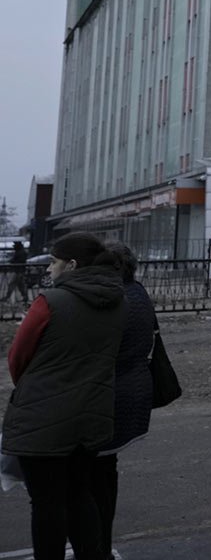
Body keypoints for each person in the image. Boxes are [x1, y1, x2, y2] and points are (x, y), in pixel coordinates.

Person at [3, 232, 126, 560]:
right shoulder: (117, 301)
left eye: (54, 262)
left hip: (44, 419)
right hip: (91, 416)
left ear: (71, 265)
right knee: (79, 493)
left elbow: (17, 358)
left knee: (46, 503)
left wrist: (33, 389)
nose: (49, 270)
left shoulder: (50, 302)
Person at [94, 242, 159, 558]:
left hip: (106, 398)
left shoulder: (112, 300)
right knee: (105, 473)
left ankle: (96, 545)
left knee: (91, 479)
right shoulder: (138, 293)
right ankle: (100, 544)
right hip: (131, 394)